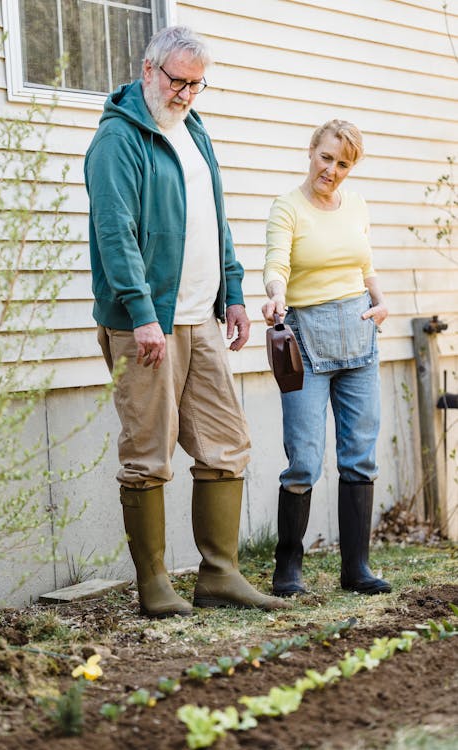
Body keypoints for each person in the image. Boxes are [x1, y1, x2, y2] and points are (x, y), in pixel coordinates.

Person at [85, 25, 289, 618]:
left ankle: (219, 575)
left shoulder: (193, 131)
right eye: (179, 82)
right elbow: (114, 235)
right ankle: (153, 586)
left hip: (202, 318)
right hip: (147, 324)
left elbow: (215, 219)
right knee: (148, 453)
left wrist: (232, 292)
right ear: (149, 71)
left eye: (199, 85)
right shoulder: (118, 141)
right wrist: (143, 315)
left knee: (227, 444)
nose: (188, 95)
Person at [262, 119, 391, 597]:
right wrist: (276, 295)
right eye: (326, 158)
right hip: (305, 341)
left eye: (343, 164)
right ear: (311, 150)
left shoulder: (355, 204)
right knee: (305, 459)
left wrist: (380, 300)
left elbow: (365, 264)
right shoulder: (287, 208)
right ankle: (287, 569)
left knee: (360, 455)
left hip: (360, 335)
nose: (332, 170)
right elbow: (276, 263)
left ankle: (356, 568)